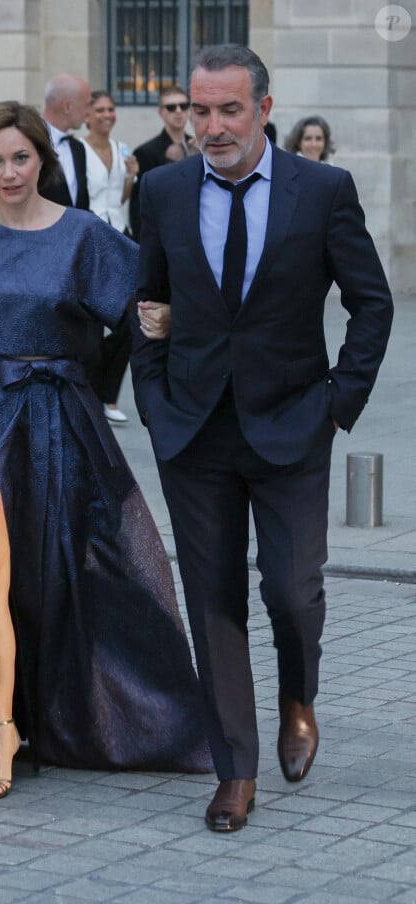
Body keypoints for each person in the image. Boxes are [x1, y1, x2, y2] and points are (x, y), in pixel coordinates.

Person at [0, 101, 212, 799]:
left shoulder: (84, 237)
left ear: (42, 161)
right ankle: (0, 730)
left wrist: (175, 324)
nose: (7, 173)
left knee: (79, 574)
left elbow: (141, 312)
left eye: (20, 158)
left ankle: (88, 714)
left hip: (60, 418)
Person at [131, 44, 393, 833]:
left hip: (292, 427)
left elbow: (371, 304)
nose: (212, 126)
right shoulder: (166, 192)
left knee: (291, 590)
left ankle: (299, 695)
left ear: (264, 110)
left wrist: (336, 405)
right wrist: (152, 397)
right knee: (213, 602)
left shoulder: (323, 191)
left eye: (229, 110)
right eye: (200, 110)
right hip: (193, 430)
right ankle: (235, 768)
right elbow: (146, 300)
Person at [79, 90, 139, 424]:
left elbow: (121, 196)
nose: (107, 114)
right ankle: (88, 393)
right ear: (87, 115)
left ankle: (109, 396)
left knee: (130, 319)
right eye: (99, 109)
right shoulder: (78, 150)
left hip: (120, 232)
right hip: (90, 236)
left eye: (111, 109)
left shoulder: (121, 149)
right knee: (90, 321)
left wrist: (130, 175)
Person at [129, 86, 194, 242]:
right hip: (162, 234)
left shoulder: (198, 147)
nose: (178, 111)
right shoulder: (145, 152)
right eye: (171, 107)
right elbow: (139, 204)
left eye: (183, 106)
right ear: (161, 112)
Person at [40, 72, 91, 208]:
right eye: (86, 105)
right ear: (67, 106)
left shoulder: (78, 148)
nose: (89, 112)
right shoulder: (31, 143)